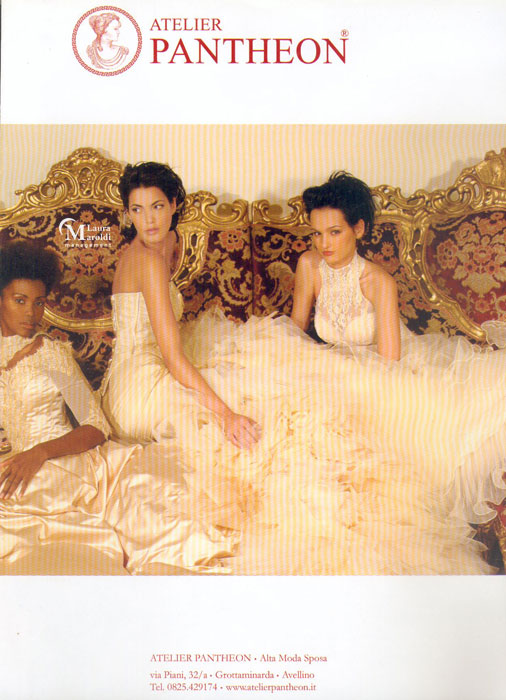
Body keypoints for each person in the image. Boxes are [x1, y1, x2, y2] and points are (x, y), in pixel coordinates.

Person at [0, 240, 237, 575]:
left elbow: (96, 427)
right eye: (20, 300)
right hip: (18, 468)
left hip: (62, 463)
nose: (31, 313)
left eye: (38, 302)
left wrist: (39, 453)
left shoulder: (48, 354)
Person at [101, 162, 260, 450]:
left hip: (127, 378)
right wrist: (227, 415)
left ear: (173, 204)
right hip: (140, 394)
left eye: (157, 206)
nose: (149, 220)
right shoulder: (148, 261)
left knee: (242, 370)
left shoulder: (157, 244)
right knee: (241, 399)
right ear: (128, 213)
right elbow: (173, 357)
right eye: (137, 210)